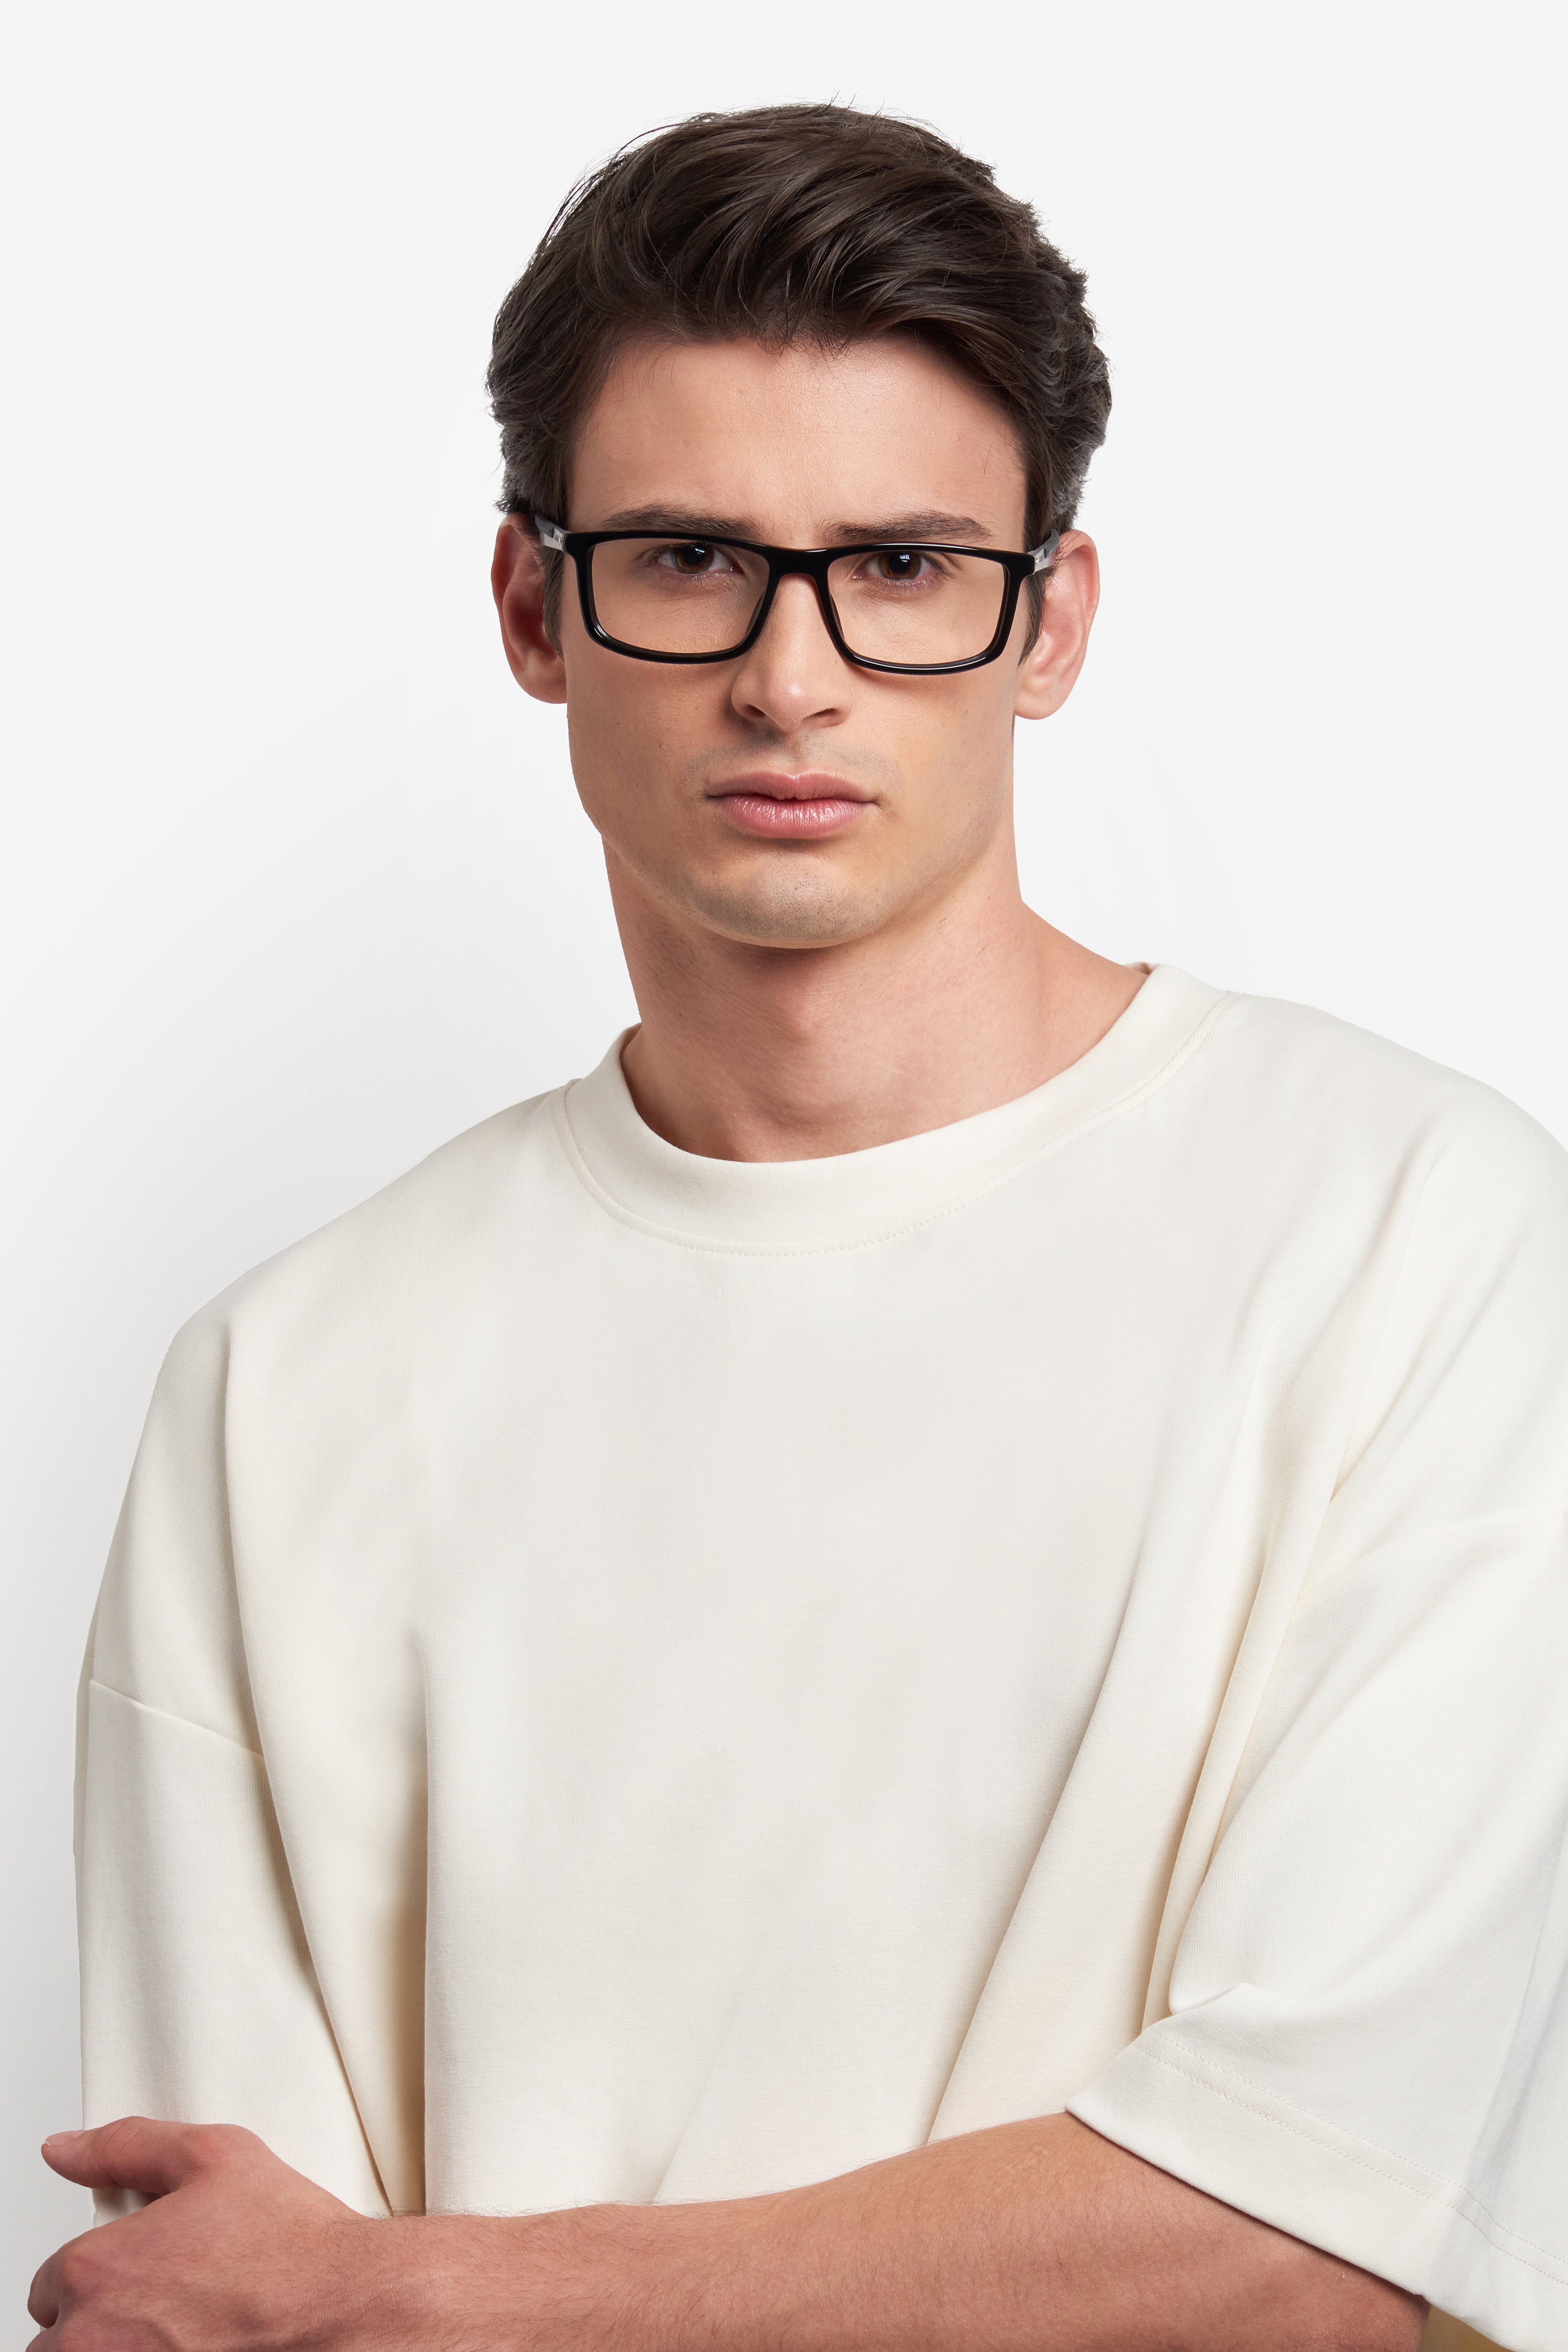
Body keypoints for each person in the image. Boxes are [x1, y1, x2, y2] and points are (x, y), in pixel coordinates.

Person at [29, 103, 1568, 2352]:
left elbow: (1315, 2244)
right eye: (688, 557)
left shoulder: (1420, 1239)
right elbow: (228, 2300)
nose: (792, 674)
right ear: (532, 606)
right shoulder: (285, 1382)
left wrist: (444, 2291)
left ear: (1051, 624)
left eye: (906, 567)